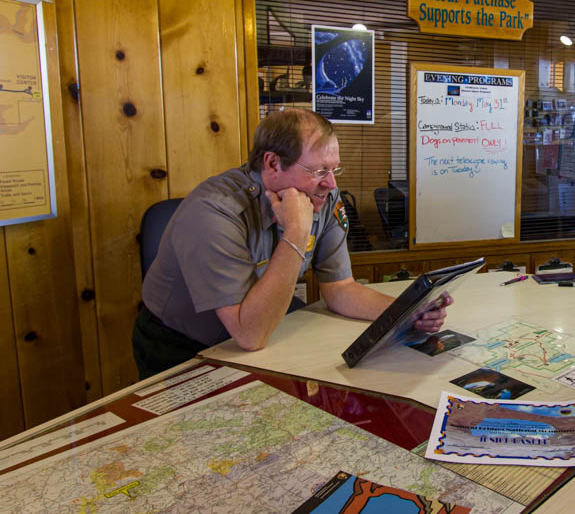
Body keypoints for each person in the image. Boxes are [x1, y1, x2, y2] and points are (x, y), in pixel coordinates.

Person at [133, 109, 452, 379]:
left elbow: (339, 289)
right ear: (272, 164)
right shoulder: (214, 210)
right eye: (318, 171)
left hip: (268, 331)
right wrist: (297, 232)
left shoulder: (322, 195)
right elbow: (249, 334)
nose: (331, 183)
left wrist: (407, 312)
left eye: (334, 168)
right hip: (182, 346)